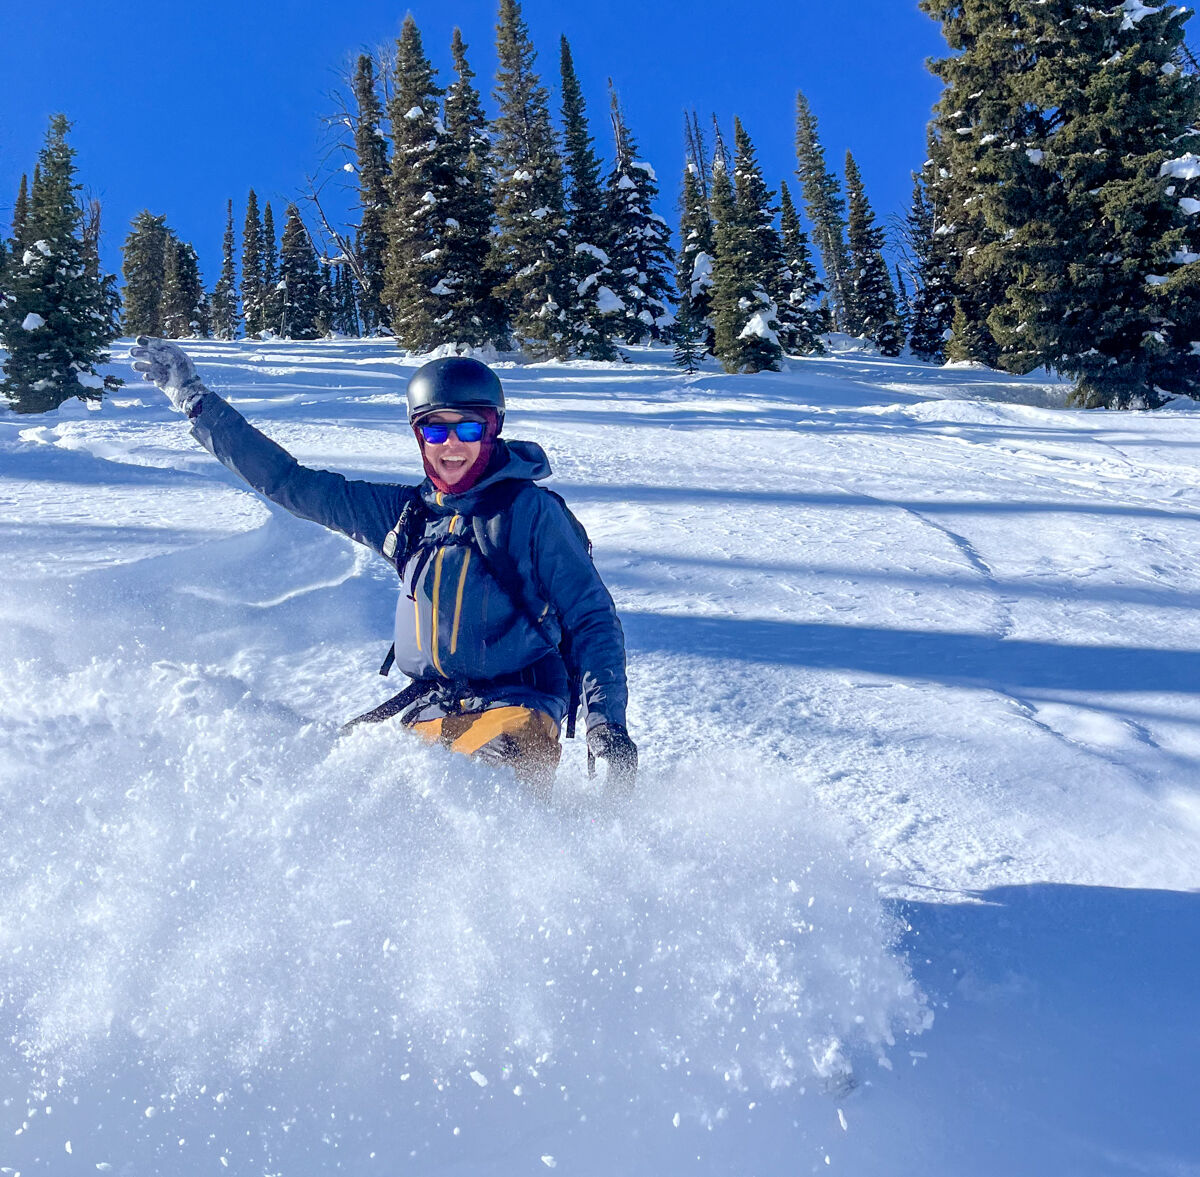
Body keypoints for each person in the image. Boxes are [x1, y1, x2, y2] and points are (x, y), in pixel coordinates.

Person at [129, 337, 637, 799]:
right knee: (343, 799)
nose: (452, 444)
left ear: (493, 429)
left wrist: (604, 724)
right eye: (435, 429)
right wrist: (195, 400)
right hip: (429, 708)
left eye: (468, 427)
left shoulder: (530, 514)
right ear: (419, 437)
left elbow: (590, 618)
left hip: (517, 708)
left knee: (487, 798)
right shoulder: (406, 514)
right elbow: (291, 483)